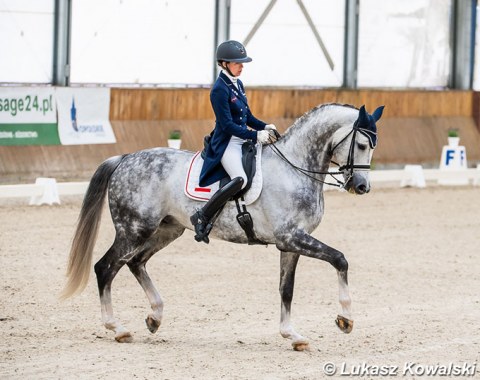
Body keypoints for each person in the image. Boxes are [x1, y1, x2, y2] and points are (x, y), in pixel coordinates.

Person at [190, 40, 277, 244]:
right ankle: (202, 215)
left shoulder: (236, 83)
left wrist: (265, 127)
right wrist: (255, 136)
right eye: (237, 62)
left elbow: (248, 118)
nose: (242, 66)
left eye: (242, 62)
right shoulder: (219, 89)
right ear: (224, 63)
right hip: (228, 142)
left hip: (242, 138)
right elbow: (227, 125)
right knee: (240, 179)